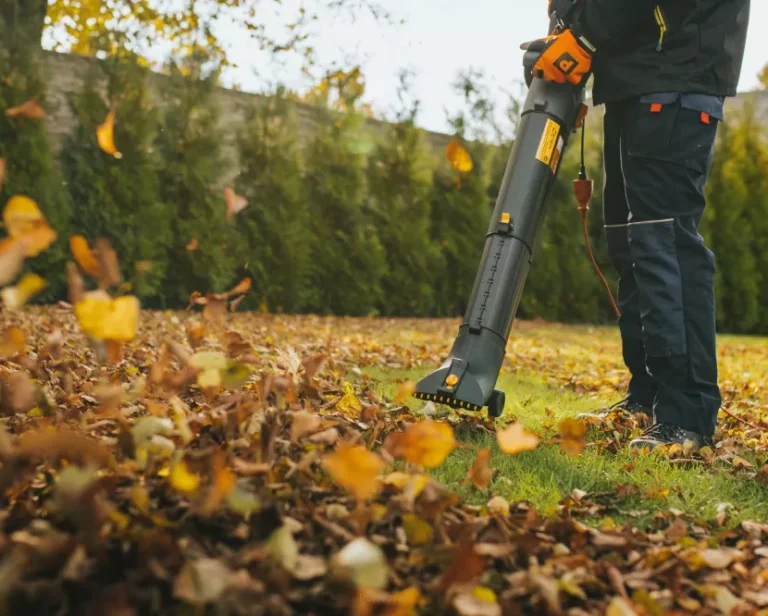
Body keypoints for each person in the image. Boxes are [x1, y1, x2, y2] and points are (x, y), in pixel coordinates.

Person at [523, 0, 751, 449]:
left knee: (664, 242)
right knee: (631, 245)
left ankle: (687, 414)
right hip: (634, 80)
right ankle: (646, 396)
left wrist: (586, 36)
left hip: (678, 72)